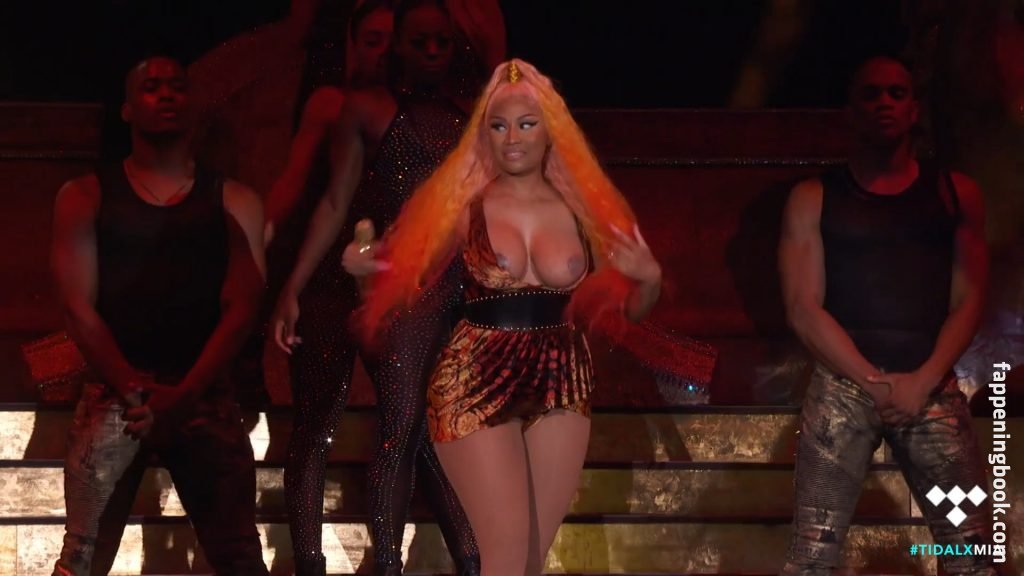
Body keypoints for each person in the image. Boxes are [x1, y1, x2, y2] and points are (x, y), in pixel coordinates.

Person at [345, 59, 662, 575]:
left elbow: (629, 310)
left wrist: (649, 280)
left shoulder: (584, 211)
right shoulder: (462, 207)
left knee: (531, 560)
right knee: (506, 556)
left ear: (551, 132)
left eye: (526, 124)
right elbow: (395, 287)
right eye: (498, 126)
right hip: (475, 378)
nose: (512, 138)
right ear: (484, 135)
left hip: (564, 379)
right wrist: (364, 271)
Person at [269, 1, 480, 574]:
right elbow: (332, 199)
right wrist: (292, 284)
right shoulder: (357, 108)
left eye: (440, 41)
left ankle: (463, 557)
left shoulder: (466, 121)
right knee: (320, 424)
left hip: (426, 287)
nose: (430, 51)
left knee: (415, 428)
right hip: (345, 280)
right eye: (418, 41)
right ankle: (316, 563)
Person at [50, 55, 269, 575]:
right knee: (82, 557)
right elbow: (77, 307)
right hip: (116, 398)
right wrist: (134, 392)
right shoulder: (84, 196)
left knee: (240, 557)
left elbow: (243, 307)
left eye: (177, 85)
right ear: (127, 108)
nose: (167, 94)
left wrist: (184, 395)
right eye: (152, 87)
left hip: (202, 394)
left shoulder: (234, 200)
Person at [778, 56, 995, 575]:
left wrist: (922, 380)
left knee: (969, 551)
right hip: (844, 388)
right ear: (851, 110)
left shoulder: (956, 193)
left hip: (930, 386)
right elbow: (802, 307)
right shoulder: (813, 197)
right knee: (812, 557)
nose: (885, 103)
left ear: (914, 108)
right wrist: (871, 382)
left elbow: (971, 297)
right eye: (871, 93)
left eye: (897, 93)